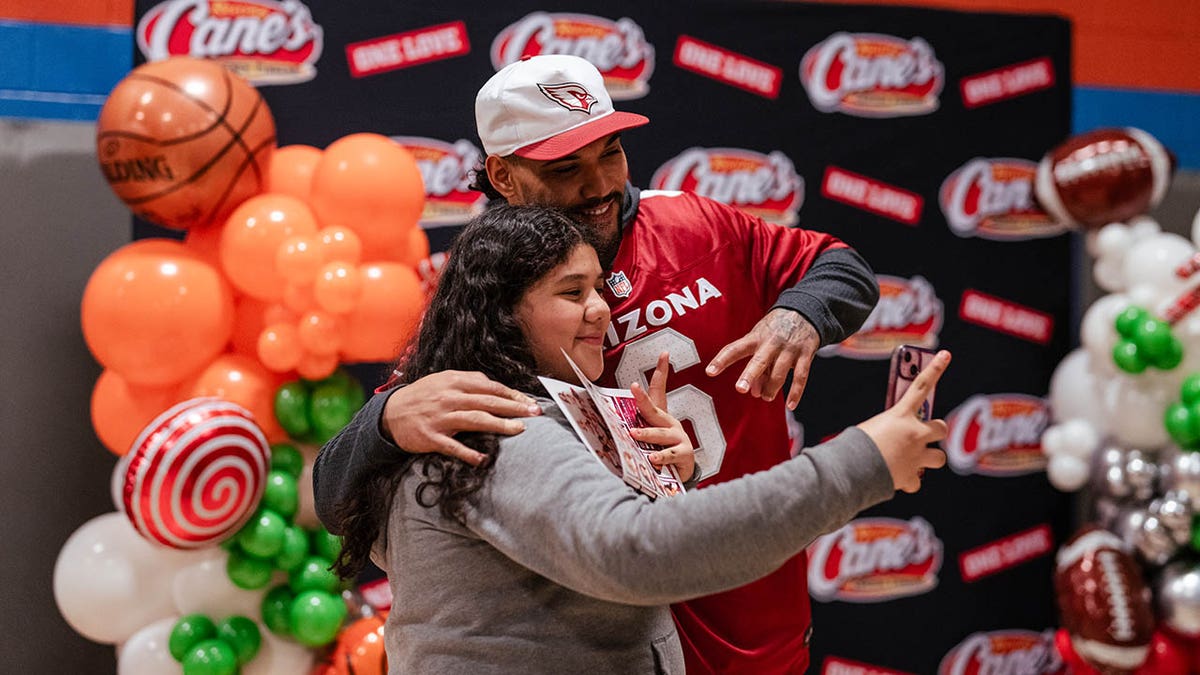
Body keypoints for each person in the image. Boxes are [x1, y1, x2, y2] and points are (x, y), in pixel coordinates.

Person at [315, 54, 881, 673]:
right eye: (565, 169)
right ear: (502, 176)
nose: (599, 186)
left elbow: (841, 266)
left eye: (610, 153)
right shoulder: (487, 283)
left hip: (748, 599)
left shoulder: (695, 225)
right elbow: (345, 485)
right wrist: (388, 415)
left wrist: (798, 313)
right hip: (605, 623)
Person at [327, 203, 949, 674]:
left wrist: (669, 483)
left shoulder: (515, 410)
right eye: (572, 293)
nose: (602, 309)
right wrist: (863, 461)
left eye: (598, 286)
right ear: (501, 315)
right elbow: (640, 553)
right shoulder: (496, 423)